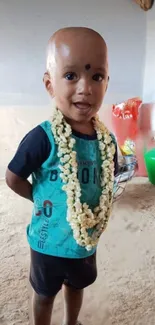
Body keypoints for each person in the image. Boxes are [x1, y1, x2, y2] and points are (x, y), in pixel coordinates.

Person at [5, 27, 118, 325]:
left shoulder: (107, 141)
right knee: (44, 293)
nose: (85, 87)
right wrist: (37, 196)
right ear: (49, 84)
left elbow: (109, 179)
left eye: (96, 76)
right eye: (71, 76)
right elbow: (13, 177)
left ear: (107, 83)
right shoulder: (42, 138)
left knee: (77, 285)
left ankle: (71, 322)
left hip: (84, 241)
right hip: (48, 241)